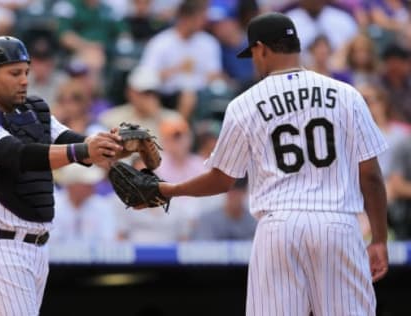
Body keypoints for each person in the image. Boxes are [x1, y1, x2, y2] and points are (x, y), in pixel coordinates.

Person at [156, 12, 389, 315]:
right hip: (338, 223)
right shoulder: (347, 95)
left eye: (253, 52)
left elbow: (222, 180)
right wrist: (380, 238)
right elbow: (370, 175)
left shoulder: (244, 104)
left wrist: (169, 189)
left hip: (279, 226)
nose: (254, 60)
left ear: (262, 49)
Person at [0, 36, 122, 315]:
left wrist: (120, 145)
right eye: (14, 73)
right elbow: (17, 156)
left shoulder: (34, 112)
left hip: (36, 248)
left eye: (26, 72)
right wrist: (84, 149)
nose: (24, 80)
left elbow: (74, 141)